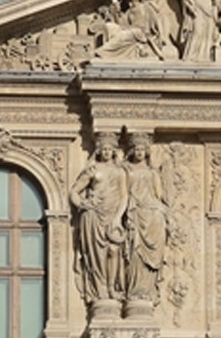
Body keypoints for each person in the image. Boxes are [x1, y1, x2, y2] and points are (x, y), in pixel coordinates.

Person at [70, 130, 128, 312]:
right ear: (99, 151)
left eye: (109, 149)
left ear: (114, 151)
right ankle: (100, 290)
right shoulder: (92, 170)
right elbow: (74, 191)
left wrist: (118, 217)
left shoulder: (120, 172)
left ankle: (112, 286)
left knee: (113, 250)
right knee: (96, 256)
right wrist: (82, 205)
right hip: (93, 215)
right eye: (103, 149)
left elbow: (124, 196)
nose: (106, 152)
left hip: (112, 215)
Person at [122, 133, 167, 315]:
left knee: (148, 261)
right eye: (137, 149)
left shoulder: (152, 173)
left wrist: (162, 213)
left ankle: (145, 292)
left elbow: (158, 196)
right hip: (134, 214)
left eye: (143, 149)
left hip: (152, 215)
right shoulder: (125, 170)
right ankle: (134, 292)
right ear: (131, 151)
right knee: (134, 254)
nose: (140, 152)